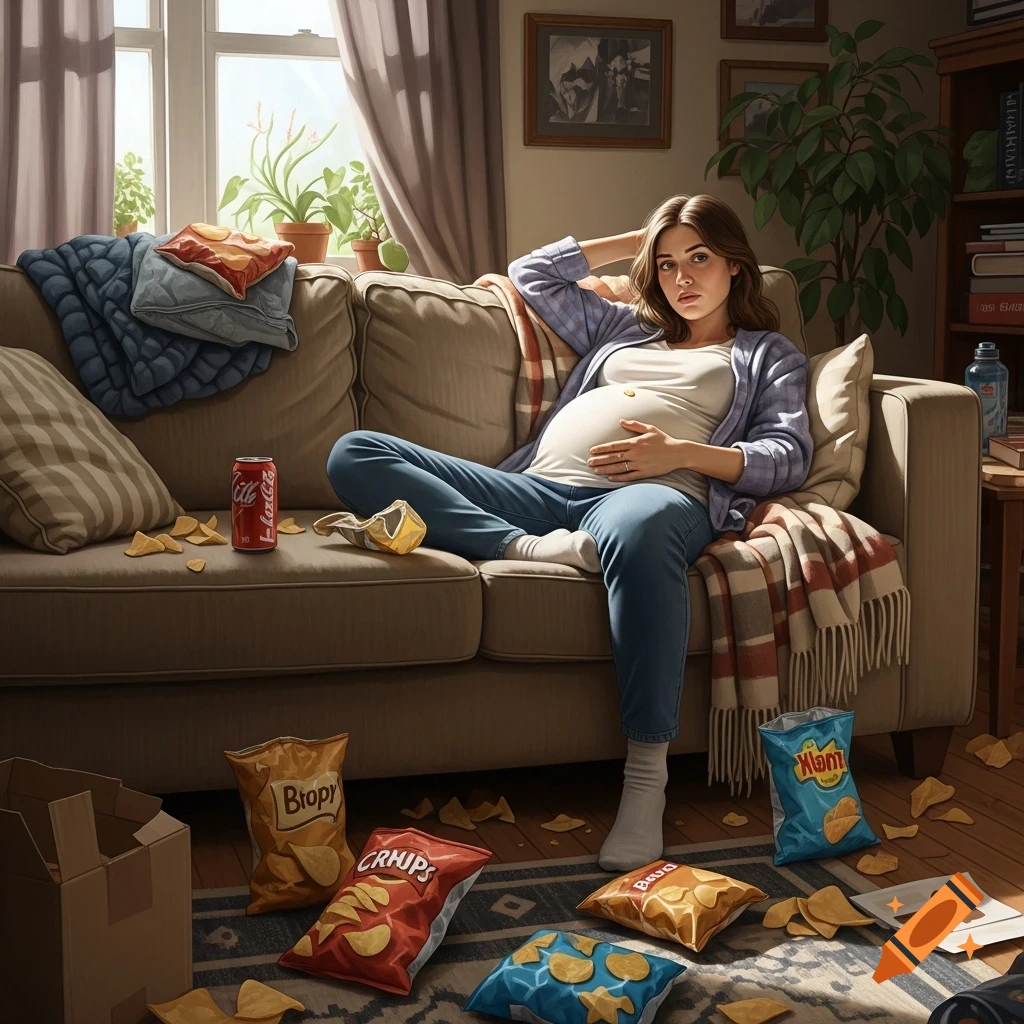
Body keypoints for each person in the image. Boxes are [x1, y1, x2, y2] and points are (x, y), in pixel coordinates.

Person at [326, 193, 813, 872]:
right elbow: (532, 274)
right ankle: (517, 547)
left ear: (735, 264)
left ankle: (645, 781)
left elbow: (787, 456)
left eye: (699, 258)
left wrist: (679, 454)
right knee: (355, 453)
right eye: (667, 263)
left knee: (640, 531)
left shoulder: (767, 355)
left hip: (650, 497)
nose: (682, 278)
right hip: (538, 494)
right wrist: (641, 237)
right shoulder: (625, 327)